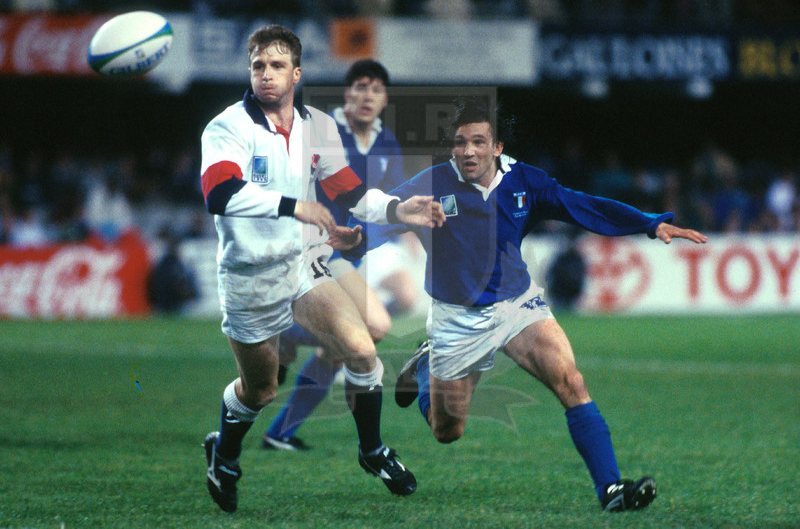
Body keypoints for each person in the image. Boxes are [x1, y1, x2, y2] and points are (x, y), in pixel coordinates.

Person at [337, 98, 708, 512]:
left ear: (497, 147)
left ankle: (611, 490)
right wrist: (354, 240)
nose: (468, 151)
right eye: (460, 143)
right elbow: (383, 218)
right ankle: (425, 369)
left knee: (571, 382)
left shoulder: (524, 182)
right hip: (456, 319)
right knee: (447, 430)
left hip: (517, 304)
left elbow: (581, 205)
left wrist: (648, 222)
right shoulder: (432, 183)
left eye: (479, 142)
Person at [199, 25, 445, 512]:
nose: (265, 75)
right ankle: (223, 454)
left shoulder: (318, 127)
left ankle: (372, 452)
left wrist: (400, 211)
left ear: (296, 73)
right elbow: (219, 193)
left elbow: (354, 193)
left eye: (275, 66)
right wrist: (298, 207)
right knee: (261, 389)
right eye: (257, 66)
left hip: (302, 267)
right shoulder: (227, 126)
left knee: (362, 350)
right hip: (248, 278)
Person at [262, 59, 418, 451]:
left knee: (342, 344)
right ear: (347, 94)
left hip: (357, 245)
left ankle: (279, 433)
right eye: (360, 87)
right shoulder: (320, 131)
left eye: (376, 89)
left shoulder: (385, 142)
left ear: (384, 100)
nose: (367, 96)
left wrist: (408, 225)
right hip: (317, 243)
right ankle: (285, 328)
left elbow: (391, 197)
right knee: (373, 328)